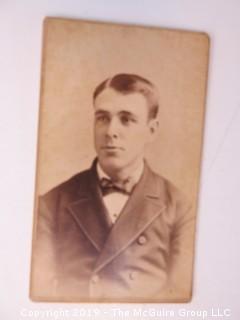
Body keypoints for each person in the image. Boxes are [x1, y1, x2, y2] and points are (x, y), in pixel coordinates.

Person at [30, 73, 194, 302]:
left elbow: (181, 299)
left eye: (126, 119)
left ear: (152, 130)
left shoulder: (179, 207)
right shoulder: (51, 204)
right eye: (103, 118)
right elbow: (40, 294)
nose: (110, 131)